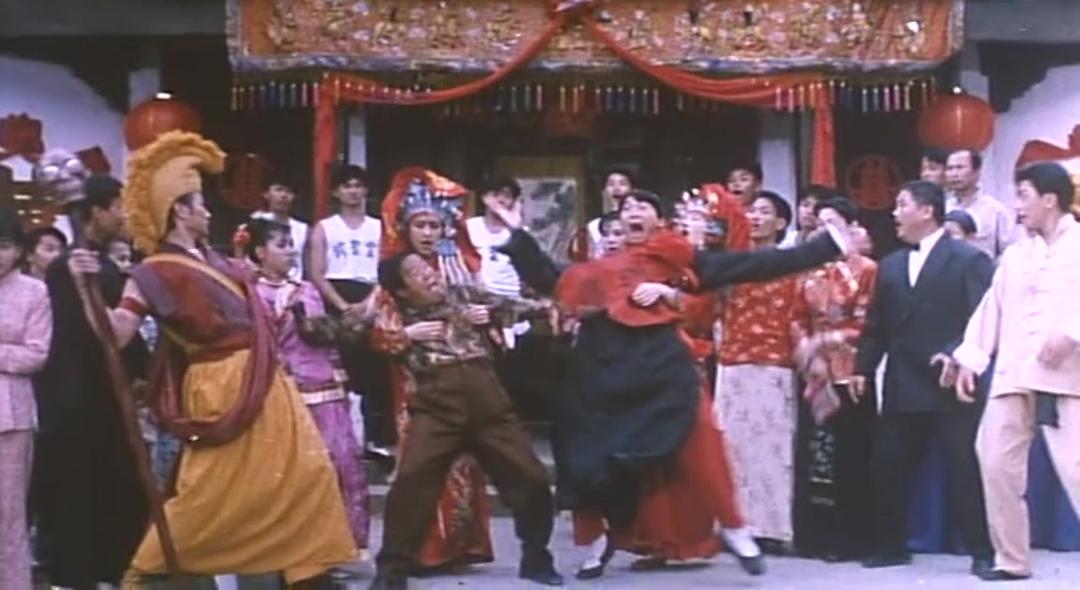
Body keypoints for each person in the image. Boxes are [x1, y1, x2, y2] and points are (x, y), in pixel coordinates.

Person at [488, 188, 852, 580]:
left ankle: (733, 526)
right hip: (600, 373)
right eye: (626, 208)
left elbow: (754, 264)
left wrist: (826, 245)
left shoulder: (679, 261)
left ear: (658, 222)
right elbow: (549, 278)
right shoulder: (595, 271)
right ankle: (597, 539)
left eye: (642, 206)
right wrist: (516, 235)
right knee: (588, 459)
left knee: (701, 439)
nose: (632, 211)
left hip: (661, 365)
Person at [66, 131, 357, 585]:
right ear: (180, 211)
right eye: (200, 203)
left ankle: (301, 573)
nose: (208, 211)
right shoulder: (152, 272)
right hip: (218, 386)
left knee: (305, 473)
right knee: (211, 491)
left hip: (266, 381)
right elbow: (117, 334)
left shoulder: (218, 261)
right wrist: (84, 289)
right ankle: (154, 568)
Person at [369, 170, 561, 590]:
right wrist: (406, 334)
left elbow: (518, 305)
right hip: (436, 406)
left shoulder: (462, 289)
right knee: (411, 484)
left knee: (530, 478)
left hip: (488, 401)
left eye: (429, 270)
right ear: (403, 289)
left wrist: (548, 306)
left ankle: (536, 555)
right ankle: (392, 571)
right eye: (418, 275)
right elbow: (359, 330)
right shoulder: (391, 300)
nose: (430, 275)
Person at [850, 180, 995, 576]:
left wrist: (955, 352)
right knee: (889, 464)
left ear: (927, 211)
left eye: (902, 205)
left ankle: (983, 550)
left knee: (963, 467)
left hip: (951, 380)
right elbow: (877, 325)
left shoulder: (969, 259)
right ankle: (890, 546)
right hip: (902, 380)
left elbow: (983, 319)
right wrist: (863, 367)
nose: (894, 214)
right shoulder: (891, 264)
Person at [950, 162, 1080, 581]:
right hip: (1013, 372)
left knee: (1077, 470)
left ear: (1050, 199)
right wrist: (971, 358)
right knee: (994, 461)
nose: (1017, 206)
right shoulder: (1016, 254)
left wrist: (1072, 333)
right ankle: (1011, 559)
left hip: (1067, 377)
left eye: (1023, 196)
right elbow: (993, 307)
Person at [370, 169, 497, 574]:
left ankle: (458, 546)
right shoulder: (395, 273)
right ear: (406, 229)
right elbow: (374, 329)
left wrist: (482, 318)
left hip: (460, 378)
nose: (427, 233)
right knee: (423, 463)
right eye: (420, 225)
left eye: (434, 225)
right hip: (416, 384)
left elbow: (485, 314)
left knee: (463, 458)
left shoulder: (457, 268)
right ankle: (421, 550)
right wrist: (406, 333)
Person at [32, 174, 151, 589]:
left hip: (109, 398)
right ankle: (75, 577)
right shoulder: (67, 267)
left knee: (116, 490)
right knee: (78, 492)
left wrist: (140, 373)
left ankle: (114, 572)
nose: (124, 215)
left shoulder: (104, 264)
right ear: (97, 211)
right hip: (77, 401)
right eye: (117, 207)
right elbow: (81, 334)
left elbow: (122, 331)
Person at [247, 218, 369, 556]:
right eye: (281, 245)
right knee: (291, 470)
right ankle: (292, 547)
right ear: (260, 252)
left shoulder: (306, 290)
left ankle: (338, 545)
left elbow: (318, 335)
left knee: (340, 462)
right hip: (278, 389)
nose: (290, 251)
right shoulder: (249, 293)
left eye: (291, 245)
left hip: (323, 387)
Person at [713, 191, 801, 552]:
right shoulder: (734, 263)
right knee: (729, 448)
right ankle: (731, 525)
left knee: (772, 449)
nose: (755, 217)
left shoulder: (791, 264)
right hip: (733, 359)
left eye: (765, 212)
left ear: (780, 223)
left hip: (773, 362)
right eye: (752, 211)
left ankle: (772, 529)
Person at [790, 196, 877, 562]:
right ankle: (816, 536)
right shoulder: (809, 270)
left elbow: (868, 323)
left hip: (850, 370)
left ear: (851, 227)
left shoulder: (867, 269)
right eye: (819, 222)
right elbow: (796, 317)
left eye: (832, 222)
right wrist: (808, 350)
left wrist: (827, 341)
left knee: (852, 455)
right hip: (815, 370)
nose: (822, 229)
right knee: (817, 457)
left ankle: (855, 537)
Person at [307, 164, 394, 459]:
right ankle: (339, 441)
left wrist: (369, 303)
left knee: (376, 371)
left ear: (366, 190)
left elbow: (387, 269)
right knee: (340, 370)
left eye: (358, 185)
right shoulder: (325, 228)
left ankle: (376, 441)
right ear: (336, 192)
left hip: (372, 296)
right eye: (347, 186)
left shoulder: (380, 227)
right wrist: (343, 306)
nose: (353, 191)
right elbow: (317, 273)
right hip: (336, 297)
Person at [0, 208, 52, 590]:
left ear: (19, 249)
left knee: (9, 514)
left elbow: (37, 354)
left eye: (4, 246)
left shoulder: (34, 291)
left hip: (11, 416)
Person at [945, 149, 1016, 259]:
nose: (954, 174)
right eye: (950, 169)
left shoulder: (995, 210)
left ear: (977, 172)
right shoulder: (943, 208)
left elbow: (1009, 250)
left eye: (960, 168)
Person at [251, 174, 309, 280]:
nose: (283, 195)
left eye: (289, 192)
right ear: (266, 194)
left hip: (295, 284)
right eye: (278, 190)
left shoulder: (303, 228)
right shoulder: (254, 222)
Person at [585, 168, 635, 258]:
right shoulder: (593, 226)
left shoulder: (638, 222)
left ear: (632, 189)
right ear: (604, 191)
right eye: (611, 184)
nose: (616, 188)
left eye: (622, 184)